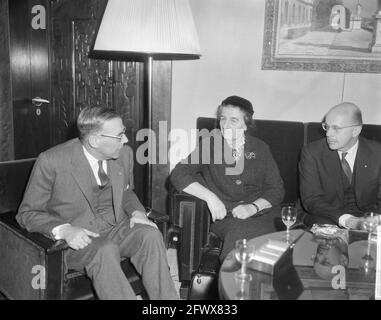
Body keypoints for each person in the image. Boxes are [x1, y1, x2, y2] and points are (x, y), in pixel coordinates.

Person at [16, 106, 178, 300]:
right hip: (78, 237)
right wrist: (65, 230)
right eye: (119, 136)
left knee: (150, 235)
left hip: (116, 227)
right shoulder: (52, 161)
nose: (125, 140)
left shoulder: (124, 155)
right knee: (104, 250)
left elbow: (126, 192)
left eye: (123, 132)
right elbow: (27, 213)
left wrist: (137, 211)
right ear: (95, 140)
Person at [170, 95, 285, 261]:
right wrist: (211, 198)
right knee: (241, 235)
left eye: (234, 120)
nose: (225, 125)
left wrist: (253, 207)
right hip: (228, 216)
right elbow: (179, 173)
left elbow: (276, 189)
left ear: (246, 124)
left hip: (262, 212)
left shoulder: (260, 148)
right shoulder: (211, 144)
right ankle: (232, 282)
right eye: (223, 118)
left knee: (277, 245)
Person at [299, 102, 381, 229]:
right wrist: (347, 220)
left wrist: (375, 219)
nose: (328, 134)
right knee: (330, 235)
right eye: (327, 127)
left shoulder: (377, 153)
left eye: (336, 128)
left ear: (356, 130)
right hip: (325, 214)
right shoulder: (312, 152)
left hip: (366, 215)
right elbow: (312, 199)